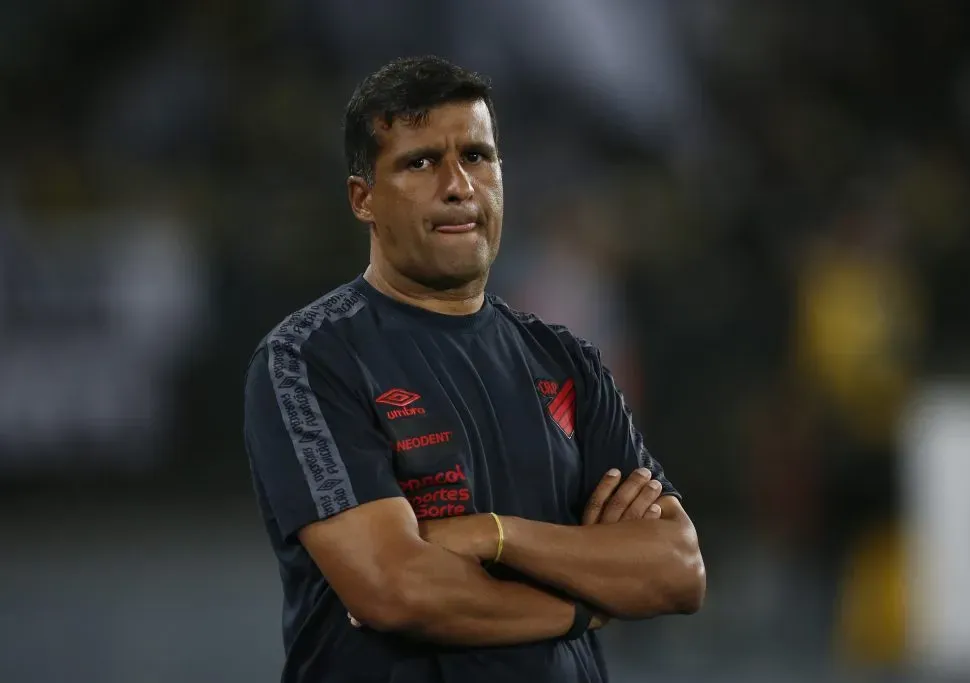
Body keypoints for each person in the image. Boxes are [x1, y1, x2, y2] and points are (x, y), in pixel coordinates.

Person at [242, 55, 705, 683]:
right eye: (422, 162)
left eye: (478, 156)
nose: (458, 185)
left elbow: (677, 569)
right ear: (363, 198)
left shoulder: (567, 361)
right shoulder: (308, 359)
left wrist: (495, 535)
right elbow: (394, 588)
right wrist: (585, 603)